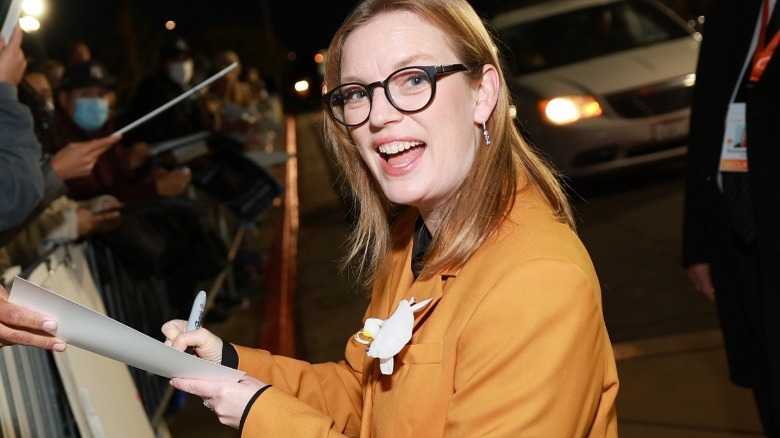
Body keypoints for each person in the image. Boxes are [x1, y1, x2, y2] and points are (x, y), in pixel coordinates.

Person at [163, 0, 619, 436]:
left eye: (414, 80)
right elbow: (367, 397)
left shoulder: (535, 280)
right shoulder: (413, 239)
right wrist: (229, 364)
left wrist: (263, 416)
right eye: (358, 93)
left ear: (483, 94)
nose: (379, 115)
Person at [683, 0, 780, 435]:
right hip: (741, 234)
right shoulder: (733, 8)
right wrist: (697, 243)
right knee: (767, 380)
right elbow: (704, 118)